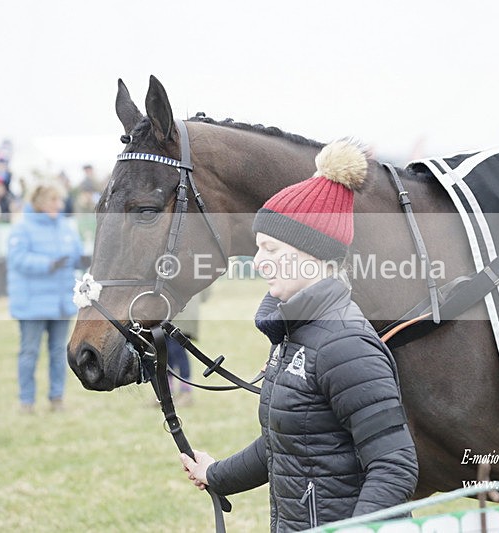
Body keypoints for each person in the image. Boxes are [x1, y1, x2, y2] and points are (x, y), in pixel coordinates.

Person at [179, 141, 419, 530]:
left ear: (313, 253)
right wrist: (217, 474)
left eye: (271, 248)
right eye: (258, 248)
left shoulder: (346, 346)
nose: (258, 262)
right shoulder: (294, 335)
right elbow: (284, 444)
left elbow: (394, 466)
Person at [7, 182, 83, 414]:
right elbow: (18, 259)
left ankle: (57, 398)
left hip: (60, 304)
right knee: (29, 352)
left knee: (59, 352)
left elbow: (77, 253)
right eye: (53, 200)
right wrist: (48, 264)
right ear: (39, 202)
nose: (58, 205)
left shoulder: (66, 227)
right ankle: (26, 401)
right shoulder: (22, 228)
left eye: (59, 201)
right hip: (33, 304)